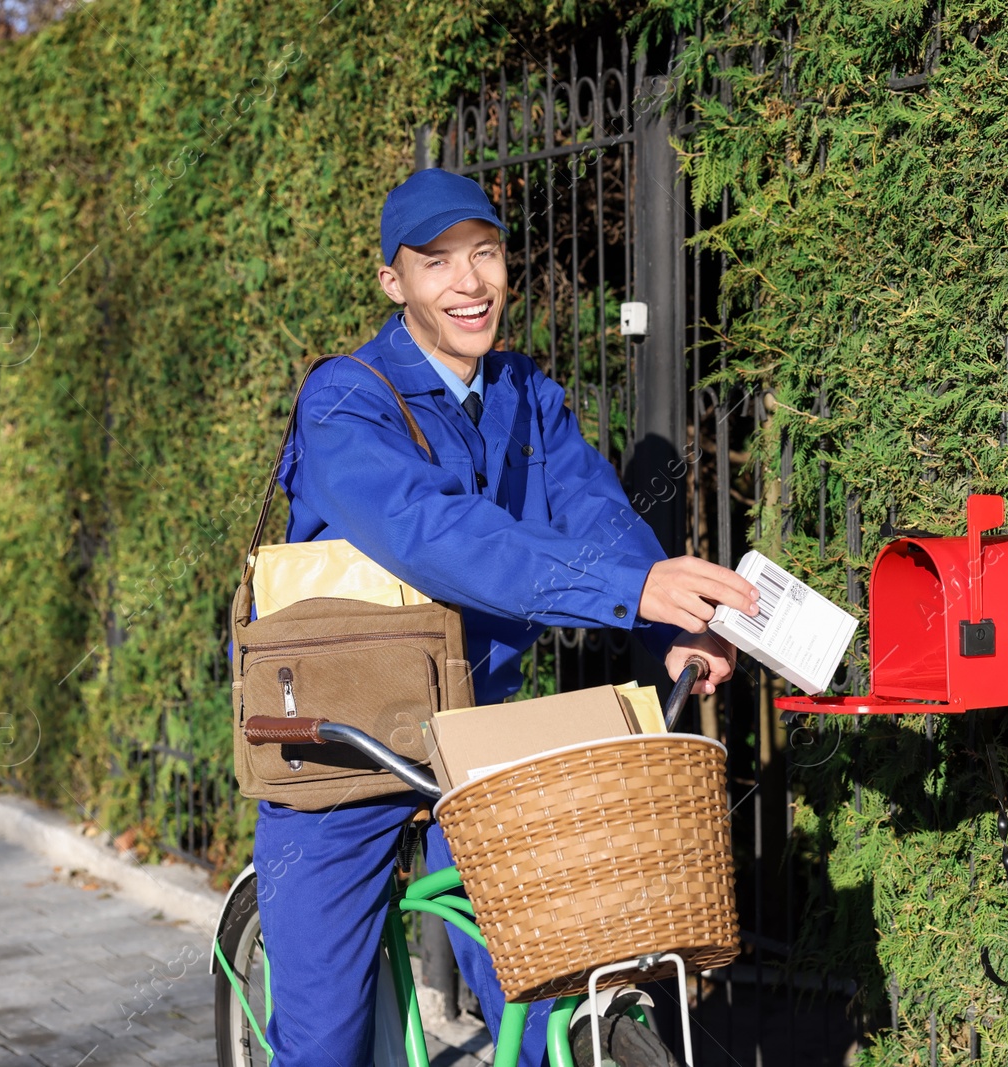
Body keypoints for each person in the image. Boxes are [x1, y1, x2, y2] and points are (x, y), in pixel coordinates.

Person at [253, 167, 760, 1066]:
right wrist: (632, 592)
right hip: (341, 740)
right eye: (437, 261)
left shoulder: (524, 393)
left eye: (484, 253)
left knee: (563, 986)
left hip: (479, 734)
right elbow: (440, 535)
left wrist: (668, 618)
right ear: (393, 282)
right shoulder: (345, 399)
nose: (469, 282)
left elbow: (595, 514)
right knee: (325, 1042)